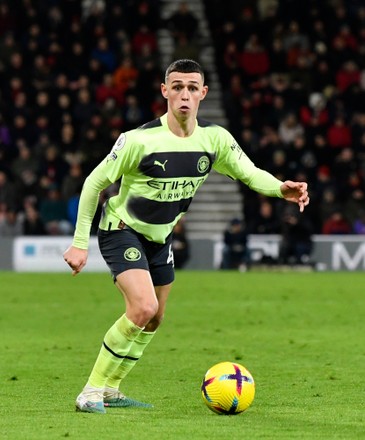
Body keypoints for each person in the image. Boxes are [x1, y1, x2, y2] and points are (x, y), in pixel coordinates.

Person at [63, 59, 310, 414]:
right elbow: (93, 183)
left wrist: (280, 189)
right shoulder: (138, 140)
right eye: (177, 86)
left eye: (192, 88)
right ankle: (90, 391)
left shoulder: (214, 139)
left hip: (160, 238)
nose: (184, 94)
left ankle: (112, 390)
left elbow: (249, 172)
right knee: (142, 306)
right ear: (165, 91)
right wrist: (80, 243)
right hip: (121, 229)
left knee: (155, 317)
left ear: (203, 94)